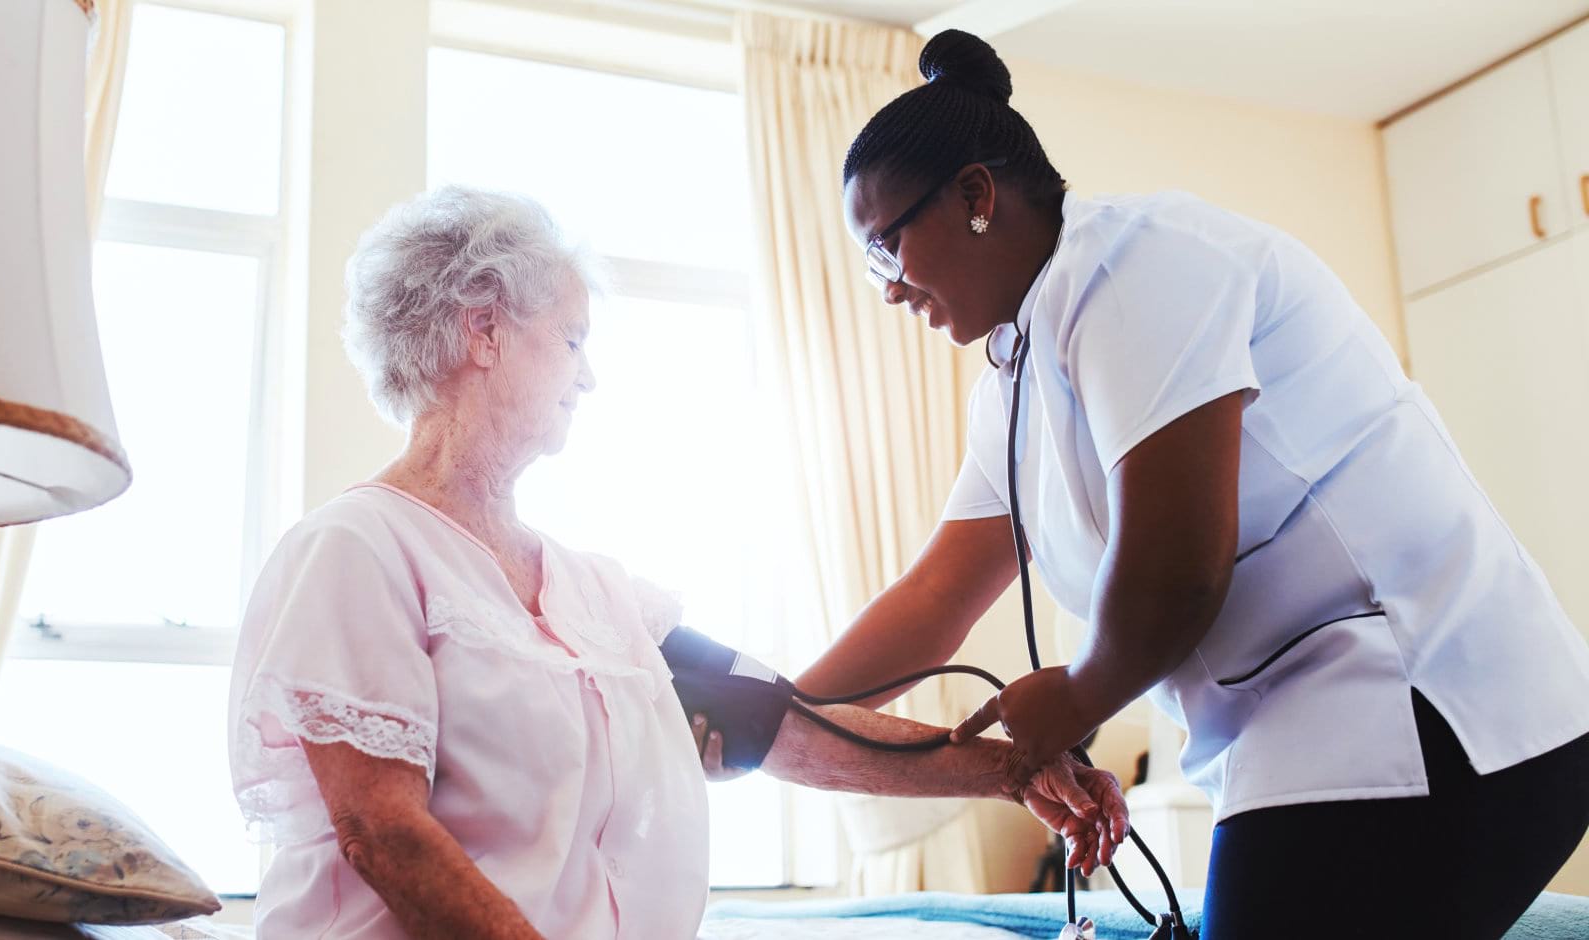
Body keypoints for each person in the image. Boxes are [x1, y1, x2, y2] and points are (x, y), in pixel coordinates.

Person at [791, 27, 1589, 937]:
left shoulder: (1141, 266)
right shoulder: (1012, 383)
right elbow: (937, 595)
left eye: (886, 245)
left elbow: (1179, 571)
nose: (888, 288)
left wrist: (1081, 695)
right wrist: (777, 713)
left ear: (975, 195)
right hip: (1301, 733)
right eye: (870, 264)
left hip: (1432, 706)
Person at [225, 186, 1126, 939]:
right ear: (485, 330)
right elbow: (381, 832)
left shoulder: (596, 596)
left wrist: (1018, 769)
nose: (588, 377)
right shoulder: (356, 548)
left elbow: (792, 724)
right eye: (572, 339)